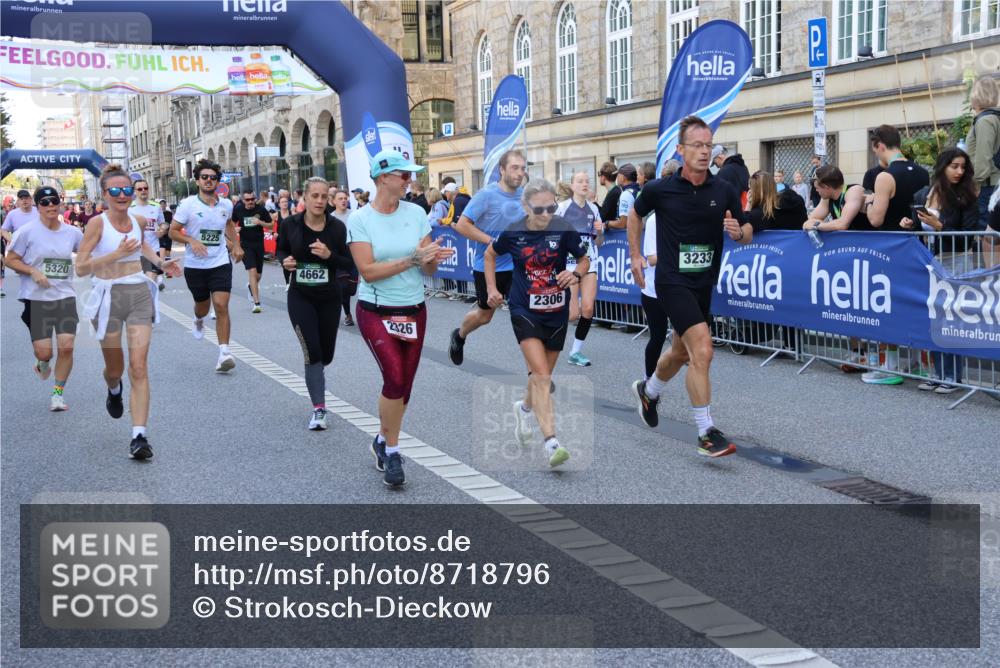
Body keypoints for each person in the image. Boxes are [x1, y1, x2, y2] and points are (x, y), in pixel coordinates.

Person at [628, 115, 753, 458]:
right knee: (703, 350)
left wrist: (738, 232)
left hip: (703, 282)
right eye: (697, 145)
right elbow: (635, 215)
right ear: (681, 150)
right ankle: (706, 431)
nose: (703, 151)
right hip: (671, 280)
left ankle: (649, 391)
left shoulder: (724, 189)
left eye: (708, 145)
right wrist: (636, 255)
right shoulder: (660, 188)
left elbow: (745, 232)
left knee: (681, 351)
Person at [348, 149, 454, 487]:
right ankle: (392, 452)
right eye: (403, 174)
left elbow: (428, 266)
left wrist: (432, 257)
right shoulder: (360, 219)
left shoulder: (415, 212)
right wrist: (413, 259)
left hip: (413, 308)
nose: (410, 180)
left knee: (404, 387)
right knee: (394, 378)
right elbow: (367, 271)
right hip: (376, 310)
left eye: (411, 174)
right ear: (383, 178)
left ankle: (381, 438)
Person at [76, 165, 180, 459]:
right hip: (107, 295)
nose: (122, 195)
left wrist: (163, 264)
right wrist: (116, 255)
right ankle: (113, 388)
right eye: (115, 191)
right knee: (115, 368)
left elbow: (145, 248)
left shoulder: (137, 219)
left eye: (127, 190)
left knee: (139, 365)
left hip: (136, 292)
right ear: (105, 194)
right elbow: (81, 267)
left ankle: (139, 436)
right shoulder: (97, 224)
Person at [486, 178, 588, 468]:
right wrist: (493, 290)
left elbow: (584, 259)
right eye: (539, 209)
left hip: (555, 310)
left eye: (551, 208)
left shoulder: (562, 227)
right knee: (541, 375)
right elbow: (490, 255)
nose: (546, 215)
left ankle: (524, 408)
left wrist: (576, 275)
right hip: (523, 308)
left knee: (540, 377)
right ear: (525, 206)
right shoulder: (514, 231)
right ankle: (552, 442)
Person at [900, 148, 979, 394]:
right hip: (928, 261)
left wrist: (940, 226)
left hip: (955, 261)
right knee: (933, 317)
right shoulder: (925, 192)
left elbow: (967, 236)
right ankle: (937, 373)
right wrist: (909, 225)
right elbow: (918, 228)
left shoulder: (966, 196)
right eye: (954, 166)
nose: (959, 171)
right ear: (942, 166)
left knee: (951, 317)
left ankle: (953, 376)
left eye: (963, 167)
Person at [278, 177, 354, 430]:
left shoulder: (336, 229)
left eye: (324, 197)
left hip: (329, 297)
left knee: (325, 354)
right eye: (315, 196)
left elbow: (348, 263)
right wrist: (285, 261)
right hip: (300, 296)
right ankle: (319, 409)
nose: (320, 201)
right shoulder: (290, 224)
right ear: (305, 198)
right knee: (312, 352)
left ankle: (318, 375)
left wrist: (329, 255)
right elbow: (280, 250)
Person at [3, 186, 83, 411]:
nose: (50, 206)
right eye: (45, 202)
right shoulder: (26, 232)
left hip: (65, 296)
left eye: (54, 201)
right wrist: (33, 271)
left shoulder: (72, 233)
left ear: (60, 203)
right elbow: (10, 260)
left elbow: (88, 253)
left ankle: (57, 394)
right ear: (38, 206)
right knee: (44, 352)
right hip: (36, 299)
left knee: (66, 348)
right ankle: (42, 362)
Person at [863, 125, 930, 386]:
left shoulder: (884, 176)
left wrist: (868, 204)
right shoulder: (923, 172)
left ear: (880, 145)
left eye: (875, 150)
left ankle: (890, 366)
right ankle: (920, 363)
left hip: (889, 249)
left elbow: (876, 220)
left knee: (886, 306)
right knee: (916, 305)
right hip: (917, 247)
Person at [448, 149, 527, 365]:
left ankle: (536, 370)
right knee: (485, 316)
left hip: (517, 267)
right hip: (489, 266)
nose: (520, 173)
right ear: (502, 170)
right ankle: (459, 335)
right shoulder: (486, 195)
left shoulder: (526, 196)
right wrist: (491, 241)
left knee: (525, 314)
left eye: (523, 168)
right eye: (514, 167)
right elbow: (462, 225)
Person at [169, 158, 242, 373]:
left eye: (212, 178)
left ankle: (224, 353)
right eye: (204, 177)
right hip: (195, 264)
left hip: (219, 261)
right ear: (197, 181)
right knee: (202, 306)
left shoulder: (226, 204)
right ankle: (199, 319)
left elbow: (228, 224)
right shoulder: (188, 205)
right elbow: (173, 230)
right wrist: (191, 240)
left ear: (218, 181)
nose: (208, 181)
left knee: (221, 305)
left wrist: (236, 245)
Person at [639, 159, 681, 381]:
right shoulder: (655, 219)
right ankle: (648, 382)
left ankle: (657, 381)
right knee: (657, 338)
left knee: (685, 339)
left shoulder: (685, 213)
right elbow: (652, 258)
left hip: (680, 287)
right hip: (655, 289)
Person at [555, 171, 603, 367]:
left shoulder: (594, 209)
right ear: (572, 186)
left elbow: (599, 241)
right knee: (572, 314)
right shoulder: (562, 208)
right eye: (580, 181)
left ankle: (575, 352)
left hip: (589, 261)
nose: (585, 184)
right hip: (568, 264)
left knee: (588, 309)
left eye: (587, 181)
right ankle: (545, 334)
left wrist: (600, 231)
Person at [965, 76, 1000, 230]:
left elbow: (983, 158)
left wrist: (975, 184)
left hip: (988, 186)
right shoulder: (995, 117)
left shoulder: (985, 120)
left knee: (986, 236)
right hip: (994, 185)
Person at [232, 189, 273, 313]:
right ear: (243, 200)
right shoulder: (238, 209)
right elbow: (231, 223)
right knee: (252, 271)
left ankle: (251, 286)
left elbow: (271, 224)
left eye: (252, 199)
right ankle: (257, 303)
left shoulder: (260, 209)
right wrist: (235, 229)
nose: (250, 202)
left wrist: (260, 222)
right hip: (245, 245)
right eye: (247, 200)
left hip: (259, 245)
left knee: (258, 275)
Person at [329, 188, 358, 326]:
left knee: (351, 289)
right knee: (343, 286)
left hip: (354, 254)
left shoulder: (354, 215)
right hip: (339, 256)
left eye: (345, 198)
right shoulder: (331, 218)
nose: (343, 200)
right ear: (333, 201)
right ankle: (348, 314)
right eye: (340, 198)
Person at [130, 179, 167, 286]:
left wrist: (162, 230)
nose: (143, 191)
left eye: (145, 188)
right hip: (136, 252)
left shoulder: (156, 207)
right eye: (140, 189)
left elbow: (163, 223)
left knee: (150, 281)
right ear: (134, 191)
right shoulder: (129, 208)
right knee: (141, 284)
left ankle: (151, 301)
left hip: (153, 250)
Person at [608, 163, 639, 230]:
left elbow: (623, 224)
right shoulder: (637, 189)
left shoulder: (626, 194)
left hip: (626, 237)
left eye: (618, 175)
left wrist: (607, 224)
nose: (617, 178)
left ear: (623, 177)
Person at [275, 194, 295, 286]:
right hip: (281, 243)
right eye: (282, 202)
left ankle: (293, 282)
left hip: (292, 242)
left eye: (286, 202)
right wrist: (273, 233)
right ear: (279, 204)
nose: (285, 204)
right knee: (285, 262)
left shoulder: (293, 213)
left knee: (293, 262)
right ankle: (287, 283)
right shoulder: (276, 215)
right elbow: (270, 226)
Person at [597, 161, 621, 227]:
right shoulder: (615, 191)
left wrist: (593, 201)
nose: (599, 177)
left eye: (599, 175)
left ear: (604, 177)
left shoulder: (613, 193)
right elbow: (606, 212)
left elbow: (602, 217)